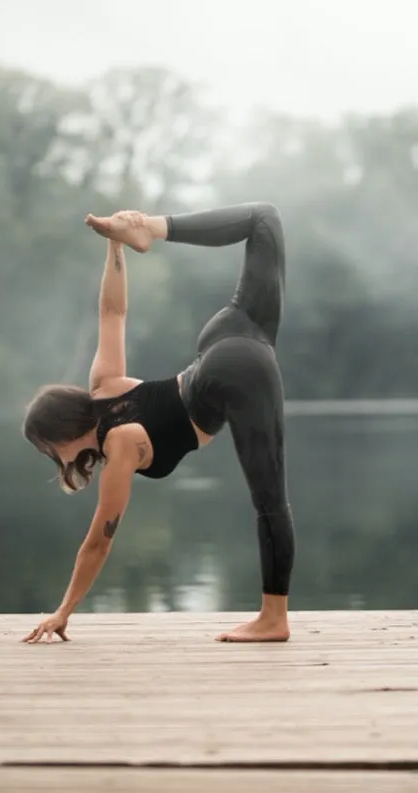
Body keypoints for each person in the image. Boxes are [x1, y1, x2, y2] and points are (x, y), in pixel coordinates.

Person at [21, 203, 294, 644]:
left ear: (58, 438)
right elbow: (113, 313)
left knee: (270, 502)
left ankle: (273, 618)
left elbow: (97, 544)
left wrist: (63, 610)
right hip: (228, 335)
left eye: (48, 449)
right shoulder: (104, 385)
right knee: (264, 219)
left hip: (230, 374)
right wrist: (115, 241)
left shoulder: (120, 449)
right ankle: (151, 227)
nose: (54, 458)